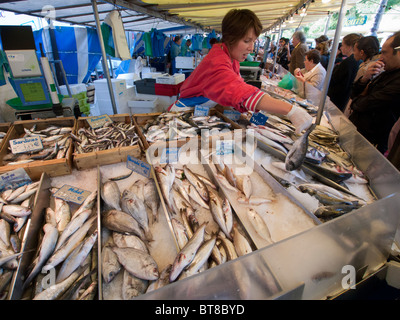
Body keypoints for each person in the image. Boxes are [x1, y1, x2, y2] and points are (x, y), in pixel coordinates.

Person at [169, 9, 313, 134]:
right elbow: (241, 92)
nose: (251, 48)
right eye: (246, 41)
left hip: (200, 113)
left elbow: (238, 86)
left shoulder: (232, 58)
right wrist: (291, 110)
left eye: (253, 42)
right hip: (183, 116)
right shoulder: (217, 62)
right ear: (231, 39)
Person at [348, 31, 400, 154]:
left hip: (371, 144)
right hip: (358, 135)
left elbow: (363, 104)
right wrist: (365, 79)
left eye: (384, 53)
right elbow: (354, 94)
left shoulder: (397, 82)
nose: (381, 57)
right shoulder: (386, 73)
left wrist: (358, 99)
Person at [327, 33, 362, 112]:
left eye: (342, 45)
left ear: (349, 47)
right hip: (343, 99)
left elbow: (335, 80)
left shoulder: (348, 62)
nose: (341, 48)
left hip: (338, 100)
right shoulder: (357, 61)